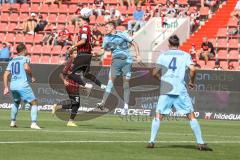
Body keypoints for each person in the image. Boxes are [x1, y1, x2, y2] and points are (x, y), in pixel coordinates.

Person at [147, 35, 212, 151]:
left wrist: (161, 79)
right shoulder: (185, 55)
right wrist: (191, 82)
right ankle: (200, 143)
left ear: (169, 45)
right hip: (179, 89)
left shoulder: (163, 55)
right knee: (190, 115)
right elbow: (193, 69)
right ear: (179, 44)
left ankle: (151, 141)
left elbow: (154, 72)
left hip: (166, 89)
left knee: (158, 115)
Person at [96, 21, 141, 115]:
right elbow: (102, 51)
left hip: (127, 61)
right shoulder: (106, 38)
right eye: (105, 27)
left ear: (112, 27)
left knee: (126, 83)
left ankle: (125, 107)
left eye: (107, 27)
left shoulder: (122, 34)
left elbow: (135, 43)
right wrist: (95, 53)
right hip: (115, 61)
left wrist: (138, 55)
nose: (105, 29)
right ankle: (102, 103)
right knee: (110, 82)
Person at [3, 43, 41, 129]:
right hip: (22, 84)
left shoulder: (12, 60)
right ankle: (33, 123)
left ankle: (12, 122)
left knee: (16, 102)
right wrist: (32, 76)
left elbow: (5, 74)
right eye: (26, 49)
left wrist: (6, 87)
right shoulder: (25, 58)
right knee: (34, 102)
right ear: (24, 50)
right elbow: (27, 68)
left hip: (13, 85)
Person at [68, 15, 106, 92]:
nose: (78, 23)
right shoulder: (88, 29)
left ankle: (86, 85)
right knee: (86, 74)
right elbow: (87, 42)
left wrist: (73, 46)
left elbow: (83, 41)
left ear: (84, 21)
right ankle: (101, 85)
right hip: (87, 54)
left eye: (79, 21)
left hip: (83, 54)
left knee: (70, 73)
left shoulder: (84, 28)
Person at [52, 49, 84, 127]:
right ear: (71, 55)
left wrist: (81, 84)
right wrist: (64, 81)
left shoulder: (76, 63)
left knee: (75, 103)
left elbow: (77, 76)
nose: (76, 54)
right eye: (75, 53)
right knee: (76, 104)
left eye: (77, 53)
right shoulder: (70, 61)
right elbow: (61, 73)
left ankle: (57, 107)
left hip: (75, 85)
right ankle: (70, 121)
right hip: (71, 85)